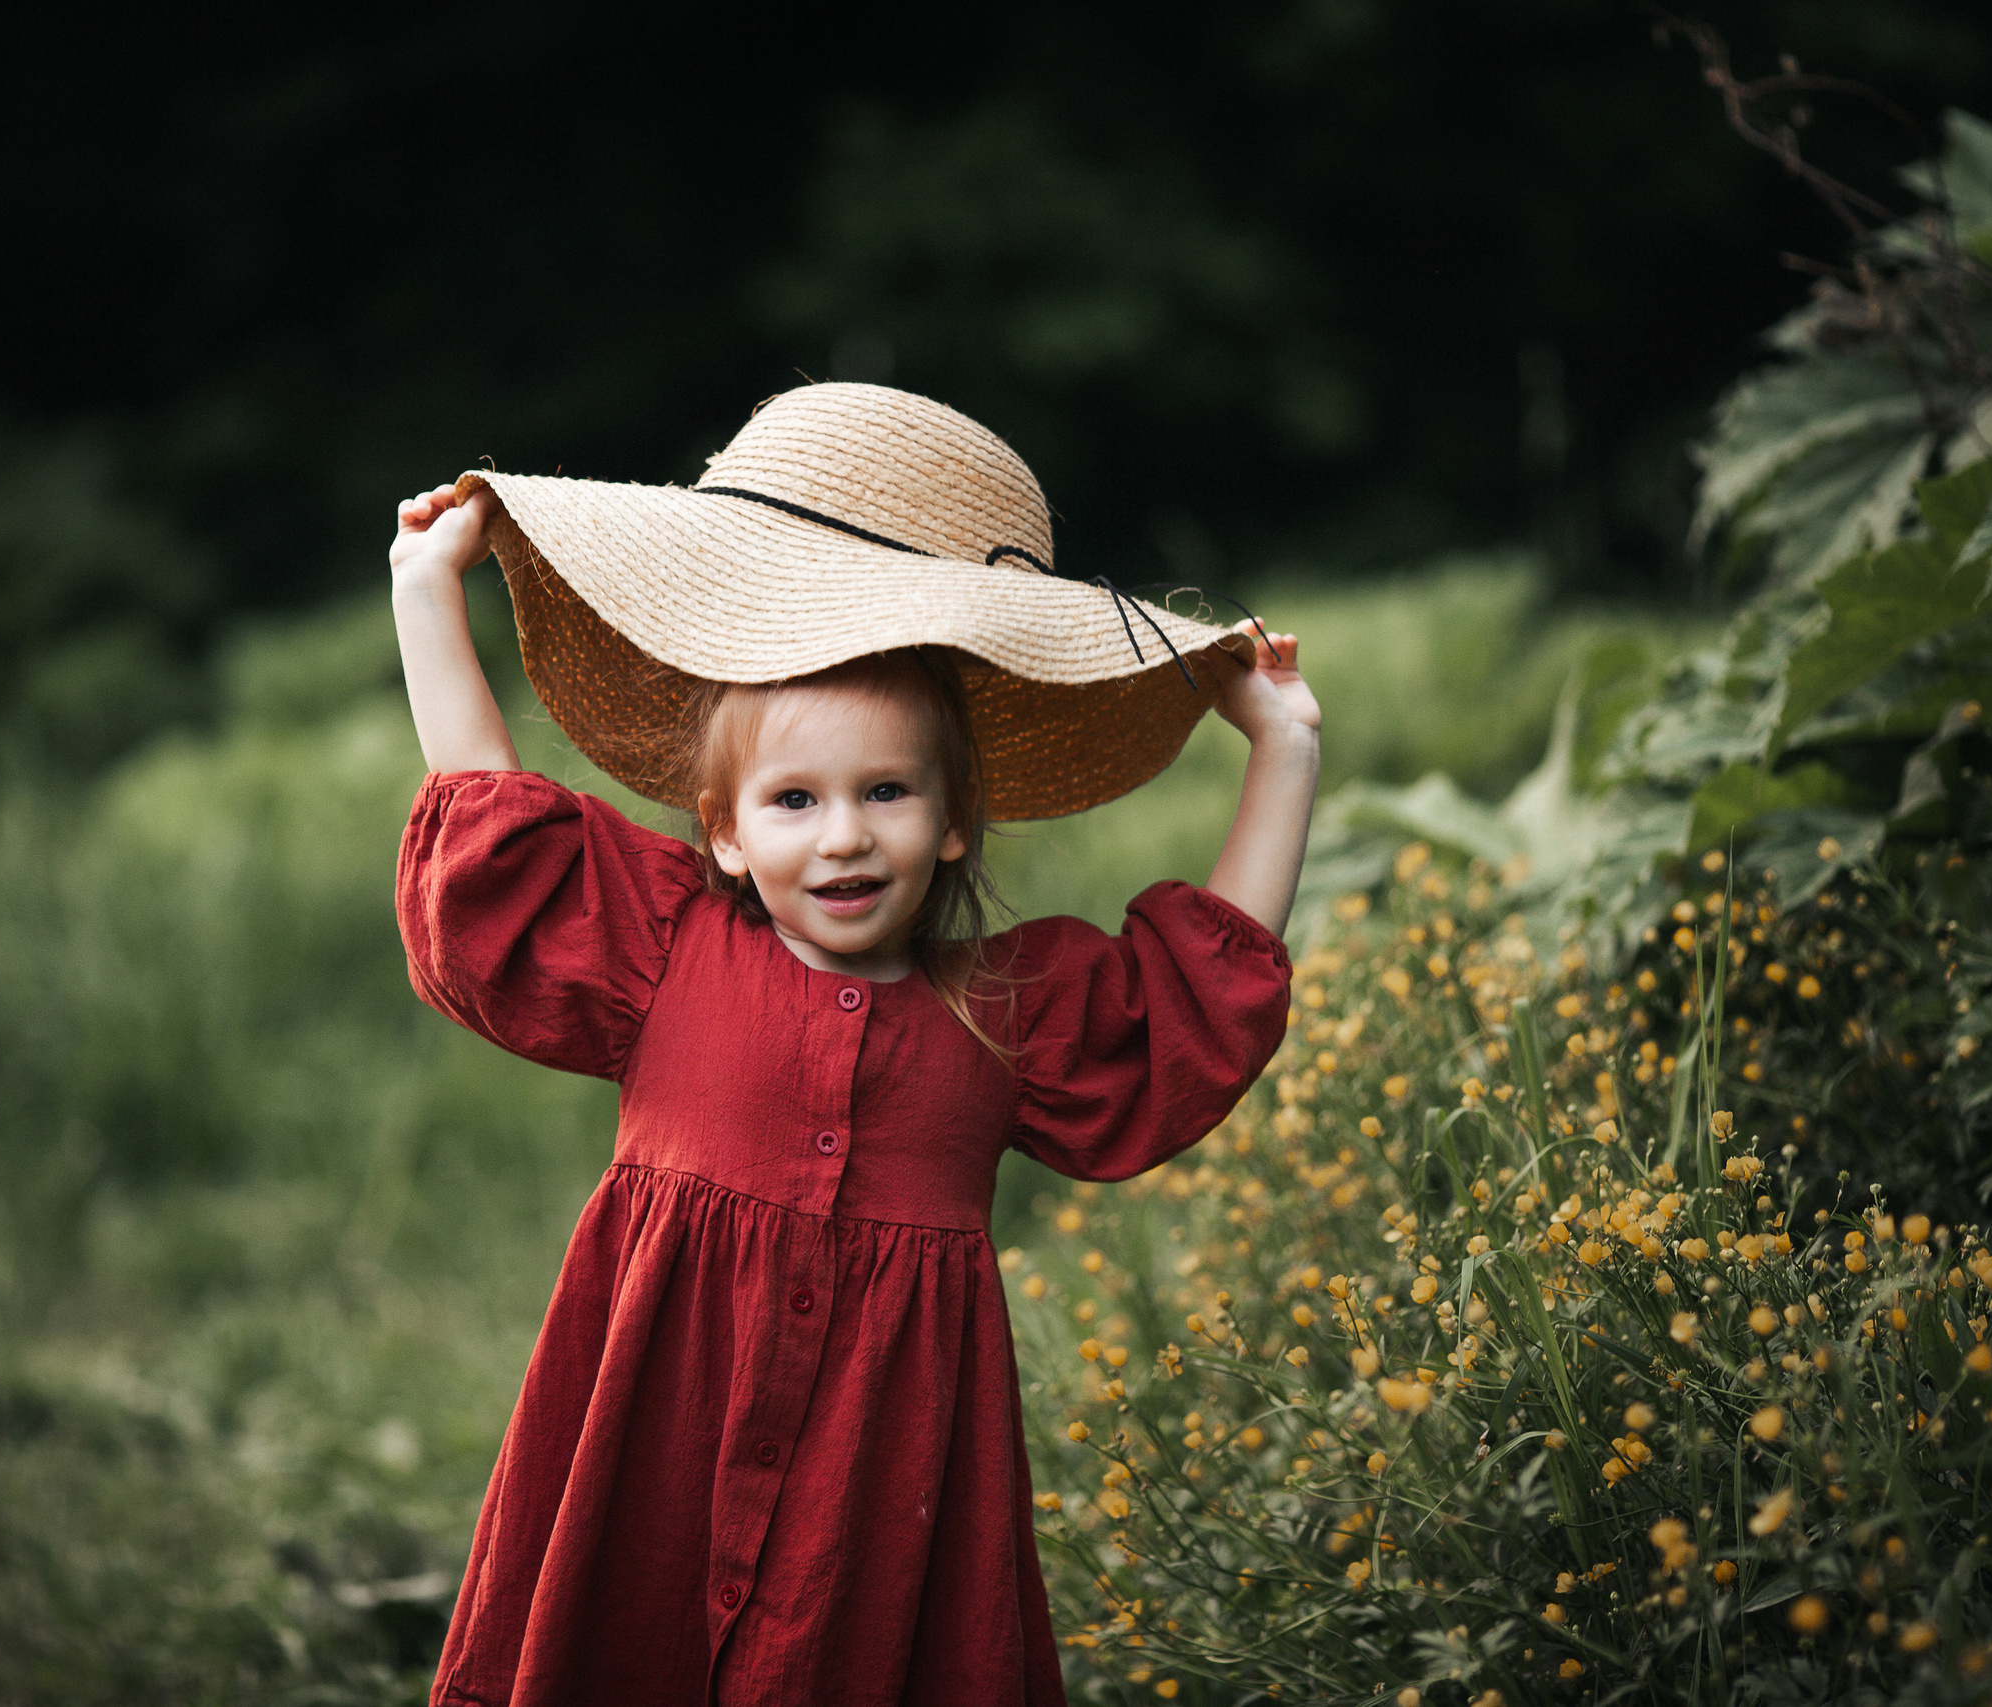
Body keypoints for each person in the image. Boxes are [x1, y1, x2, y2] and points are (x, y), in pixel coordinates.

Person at [390, 384, 1319, 1707]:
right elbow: (495, 846)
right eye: (793, 800)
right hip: (660, 1431)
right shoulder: (666, 949)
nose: (841, 837)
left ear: (952, 822)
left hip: (880, 1486)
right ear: (723, 829)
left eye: (887, 793)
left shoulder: (1004, 1010)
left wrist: (1282, 746)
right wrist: (430, 593)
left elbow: (1186, 1011)